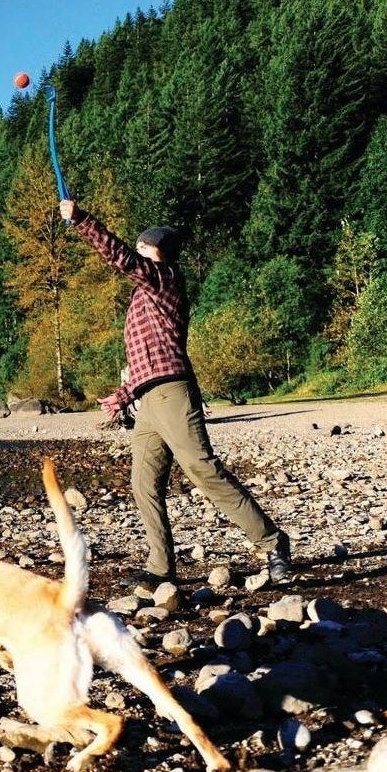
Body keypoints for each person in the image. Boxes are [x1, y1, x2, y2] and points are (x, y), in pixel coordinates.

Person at [59, 198, 292, 586]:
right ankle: (161, 567)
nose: (137, 250)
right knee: (142, 483)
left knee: (202, 469)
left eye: (143, 246)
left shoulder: (164, 278)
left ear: (160, 254)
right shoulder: (141, 297)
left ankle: (272, 542)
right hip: (148, 401)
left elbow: (122, 259)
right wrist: (124, 394)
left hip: (174, 394)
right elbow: (148, 358)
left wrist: (81, 220)